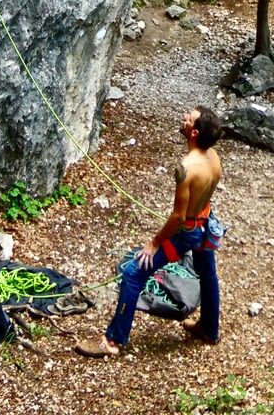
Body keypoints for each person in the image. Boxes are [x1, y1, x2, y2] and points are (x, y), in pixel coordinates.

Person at [75, 106, 224, 358]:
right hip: (205, 225)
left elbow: (178, 217)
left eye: (189, 118)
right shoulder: (214, 157)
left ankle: (112, 340)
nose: (184, 116)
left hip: (187, 231)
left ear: (194, 132)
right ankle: (210, 329)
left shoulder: (186, 167)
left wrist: (155, 243)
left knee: (133, 273)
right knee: (207, 275)